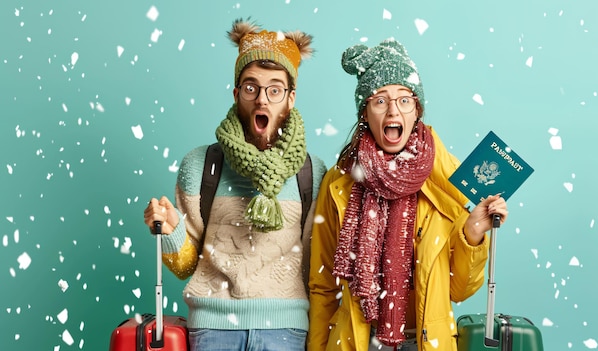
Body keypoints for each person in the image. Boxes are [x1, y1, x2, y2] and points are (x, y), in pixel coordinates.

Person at [307, 39, 508, 351]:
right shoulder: (340, 182)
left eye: (404, 100)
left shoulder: (445, 180)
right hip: (356, 342)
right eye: (380, 101)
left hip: (425, 343)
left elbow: (458, 290)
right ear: (365, 113)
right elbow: (323, 286)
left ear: (417, 112)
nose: (393, 110)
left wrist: (472, 235)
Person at [143, 18, 327, 351]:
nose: (262, 100)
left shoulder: (311, 172)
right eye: (251, 87)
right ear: (236, 92)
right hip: (213, 329)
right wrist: (171, 234)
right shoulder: (201, 165)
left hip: (285, 329)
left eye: (275, 89)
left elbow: (318, 271)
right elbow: (186, 266)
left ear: (291, 98)